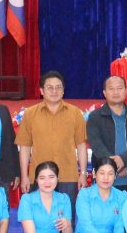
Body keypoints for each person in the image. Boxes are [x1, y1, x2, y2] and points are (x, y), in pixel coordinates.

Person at [16, 71, 88, 210]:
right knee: (39, 217)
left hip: (68, 176)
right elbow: (24, 147)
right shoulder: (30, 114)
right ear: (41, 91)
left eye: (58, 87)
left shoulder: (75, 113)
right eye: (49, 87)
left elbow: (81, 145)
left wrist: (83, 174)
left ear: (63, 90)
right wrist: (24, 176)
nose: (54, 91)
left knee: (66, 218)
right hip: (39, 177)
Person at [86, 75, 127, 192]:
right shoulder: (95, 117)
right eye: (111, 89)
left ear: (126, 90)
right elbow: (96, 144)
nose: (116, 92)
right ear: (104, 93)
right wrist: (113, 165)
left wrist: (123, 160)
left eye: (119, 88)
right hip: (105, 179)